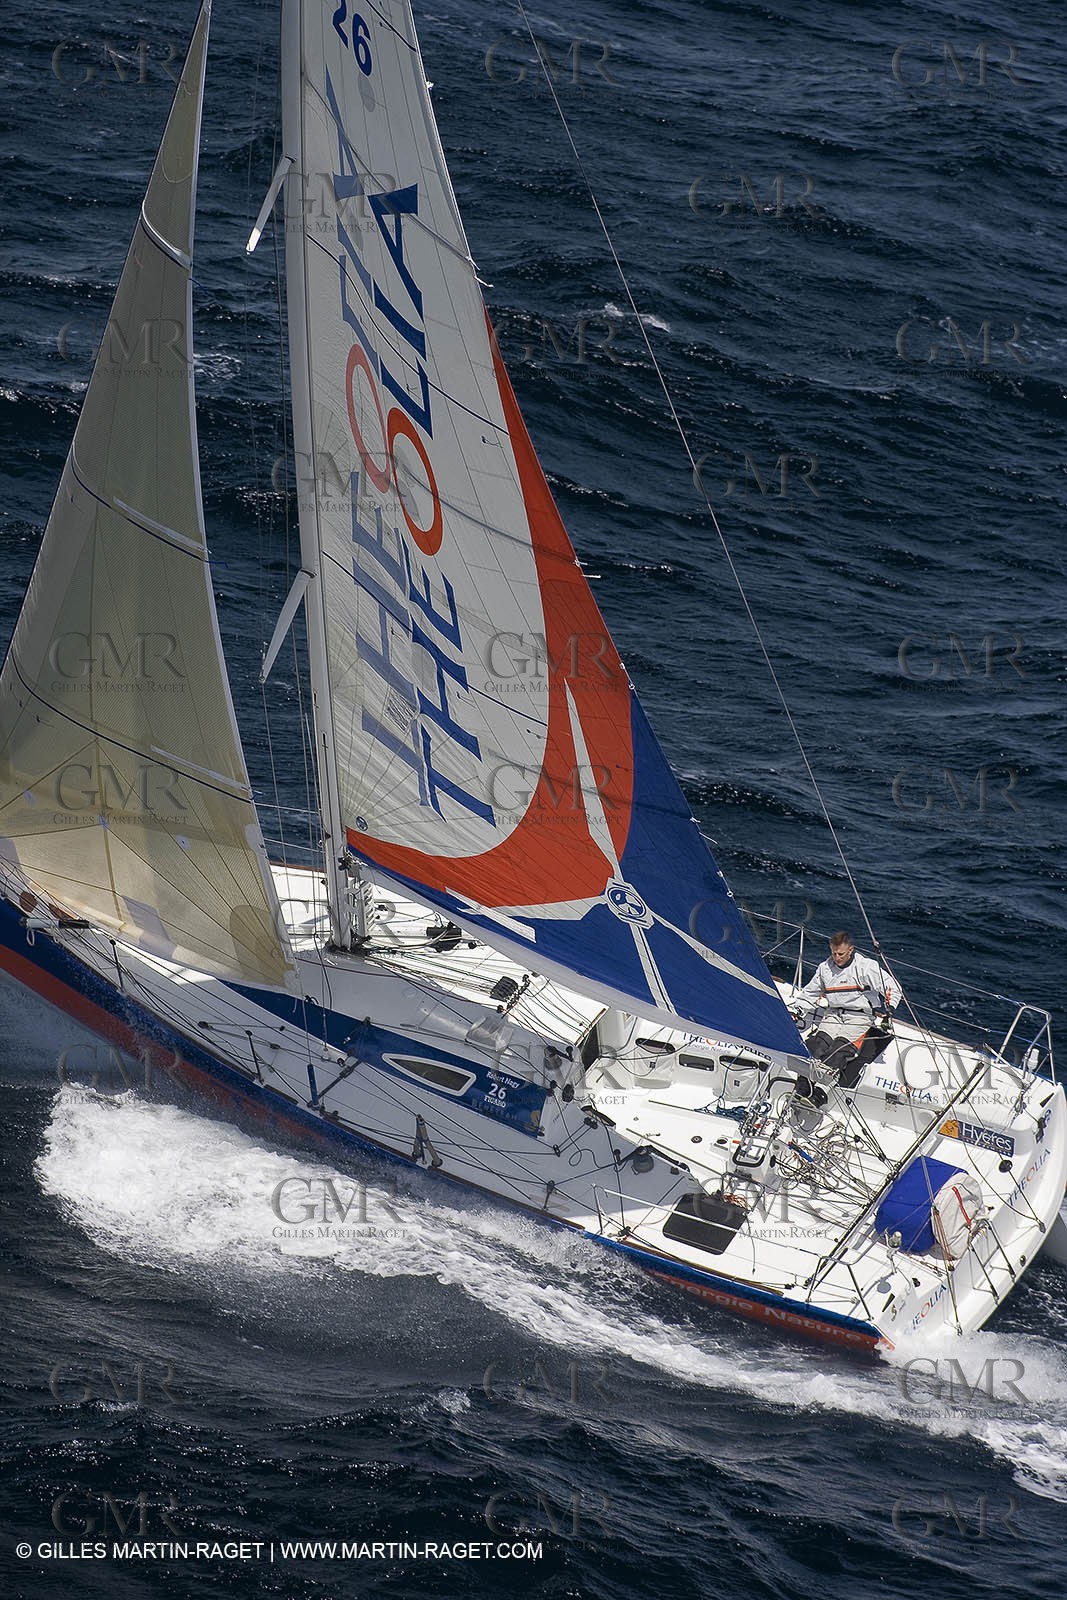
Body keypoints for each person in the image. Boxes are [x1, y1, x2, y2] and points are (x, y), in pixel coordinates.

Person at [790, 931, 900, 1088]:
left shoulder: (866, 967)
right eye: (834, 953)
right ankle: (802, 1088)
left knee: (837, 1052)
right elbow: (810, 992)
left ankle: (820, 1093)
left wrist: (890, 1006)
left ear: (851, 950)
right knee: (815, 1046)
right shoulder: (825, 968)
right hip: (833, 1013)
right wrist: (797, 1010)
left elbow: (892, 987)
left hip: (858, 1017)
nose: (837, 957)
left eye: (841, 954)